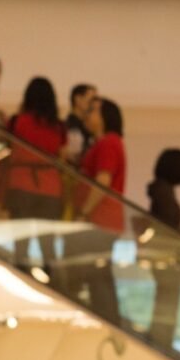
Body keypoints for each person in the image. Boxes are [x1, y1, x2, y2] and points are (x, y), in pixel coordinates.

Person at [73, 98, 127, 324]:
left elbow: (103, 179)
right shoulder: (104, 143)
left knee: (98, 273)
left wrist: (84, 212)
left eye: (93, 110)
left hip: (101, 218)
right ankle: (106, 318)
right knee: (98, 272)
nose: (87, 114)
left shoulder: (108, 143)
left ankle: (107, 320)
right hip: (104, 219)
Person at [5, 76, 67, 270]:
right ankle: (56, 288)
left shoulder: (17, 122)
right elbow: (62, 158)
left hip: (21, 186)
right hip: (50, 189)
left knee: (20, 247)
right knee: (48, 247)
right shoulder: (58, 127)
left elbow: (7, 146)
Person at [145, 148, 180, 346]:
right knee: (167, 301)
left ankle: (162, 339)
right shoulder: (163, 193)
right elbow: (168, 226)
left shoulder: (162, 191)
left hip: (166, 255)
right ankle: (162, 341)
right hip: (168, 257)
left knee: (167, 300)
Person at [65, 84, 97, 167]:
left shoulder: (89, 126)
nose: (94, 105)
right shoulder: (71, 126)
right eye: (91, 100)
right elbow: (73, 156)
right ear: (78, 99)